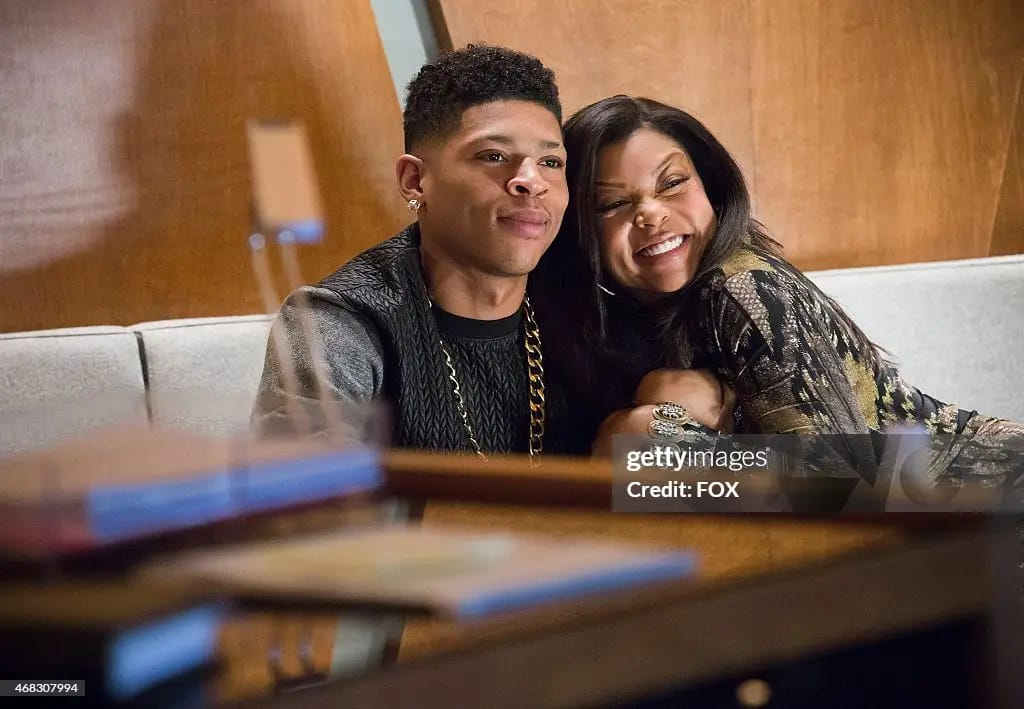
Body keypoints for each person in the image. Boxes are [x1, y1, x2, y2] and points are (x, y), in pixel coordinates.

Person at [534, 95, 1024, 496]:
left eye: (673, 183)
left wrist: (655, 435)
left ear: (712, 190)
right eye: (614, 203)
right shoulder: (601, 321)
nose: (651, 214)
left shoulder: (745, 290)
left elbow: (843, 488)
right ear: (580, 232)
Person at [252, 45, 615, 460]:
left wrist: (665, 425)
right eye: (493, 156)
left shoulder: (586, 301)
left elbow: (687, 490)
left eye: (551, 162)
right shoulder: (342, 321)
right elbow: (303, 502)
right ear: (415, 180)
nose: (531, 181)